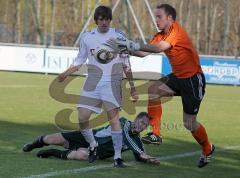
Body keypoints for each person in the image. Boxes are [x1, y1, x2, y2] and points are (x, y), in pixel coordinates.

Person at [106, 4, 215, 168]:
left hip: (193, 80)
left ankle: (208, 148)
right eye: (155, 17)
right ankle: (156, 133)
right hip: (178, 77)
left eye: (159, 17)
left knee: (189, 123)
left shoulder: (176, 32)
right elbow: (143, 53)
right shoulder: (161, 34)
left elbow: (158, 48)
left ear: (170, 18)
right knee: (153, 89)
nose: (156, 20)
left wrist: (130, 43)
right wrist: (123, 48)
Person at [58, 5, 138, 168]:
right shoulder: (87, 37)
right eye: (101, 19)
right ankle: (93, 144)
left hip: (112, 82)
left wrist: (132, 87)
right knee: (82, 117)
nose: (104, 22)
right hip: (93, 82)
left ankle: (117, 158)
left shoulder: (118, 36)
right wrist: (66, 73)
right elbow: (80, 60)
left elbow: (126, 63)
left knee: (114, 120)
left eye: (106, 19)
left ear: (110, 20)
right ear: (96, 20)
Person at [22, 112, 160, 166]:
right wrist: (142, 153)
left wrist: (150, 159)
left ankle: (53, 152)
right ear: (136, 120)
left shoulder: (137, 140)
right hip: (89, 137)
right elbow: (128, 140)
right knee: (51, 138)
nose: (142, 127)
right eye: (141, 123)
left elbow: (139, 154)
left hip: (96, 151)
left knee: (81, 155)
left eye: (145, 126)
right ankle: (33, 145)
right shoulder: (124, 123)